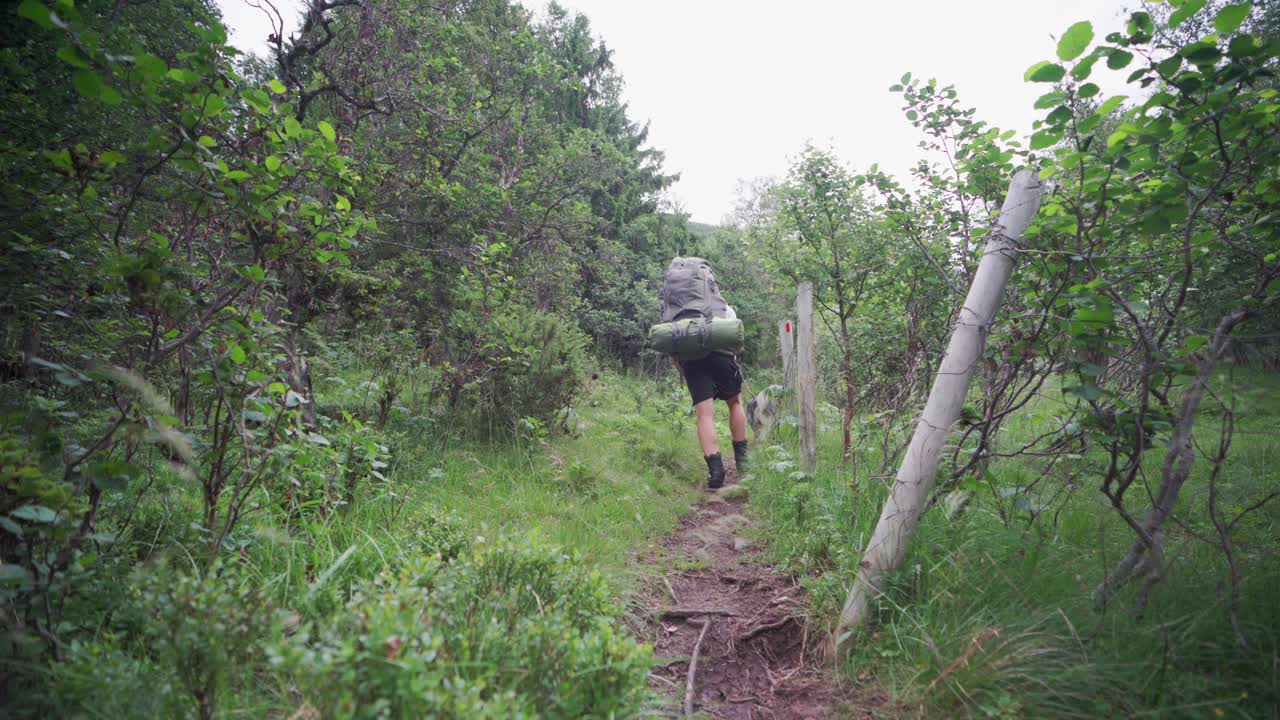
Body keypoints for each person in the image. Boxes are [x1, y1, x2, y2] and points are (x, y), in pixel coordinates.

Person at [673, 305, 748, 490]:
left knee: (704, 414)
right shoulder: (724, 307)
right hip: (724, 357)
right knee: (735, 403)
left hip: (693, 361)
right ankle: (744, 465)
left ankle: (716, 473)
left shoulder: (681, 311)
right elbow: (736, 342)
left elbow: (674, 351)